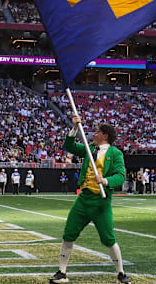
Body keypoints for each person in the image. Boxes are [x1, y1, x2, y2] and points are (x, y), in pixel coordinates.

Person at [49, 115, 130, 284]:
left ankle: (121, 272)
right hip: (84, 198)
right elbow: (69, 145)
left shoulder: (115, 153)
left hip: (101, 202)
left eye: (97, 132)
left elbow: (121, 176)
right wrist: (75, 128)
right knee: (68, 233)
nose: (94, 134)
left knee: (109, 238)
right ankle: (62, 271)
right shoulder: (89, 148)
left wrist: (106, 180)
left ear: (105, 135)